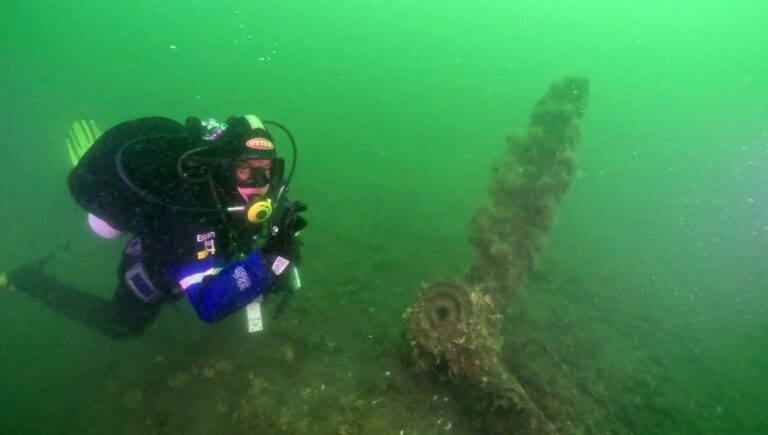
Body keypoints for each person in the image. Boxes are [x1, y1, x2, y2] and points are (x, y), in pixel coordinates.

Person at [0, 114, 308, 339]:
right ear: (226, 169)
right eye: (245, 170)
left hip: (209, 250)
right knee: (122, 325)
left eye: (267, 170)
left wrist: (279, 251)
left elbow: (264, 238)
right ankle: (28, 280)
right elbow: (209, 305)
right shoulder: (194, 212)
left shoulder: (262, 192)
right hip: (158, 263)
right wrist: (270, 261)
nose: (259, 183)